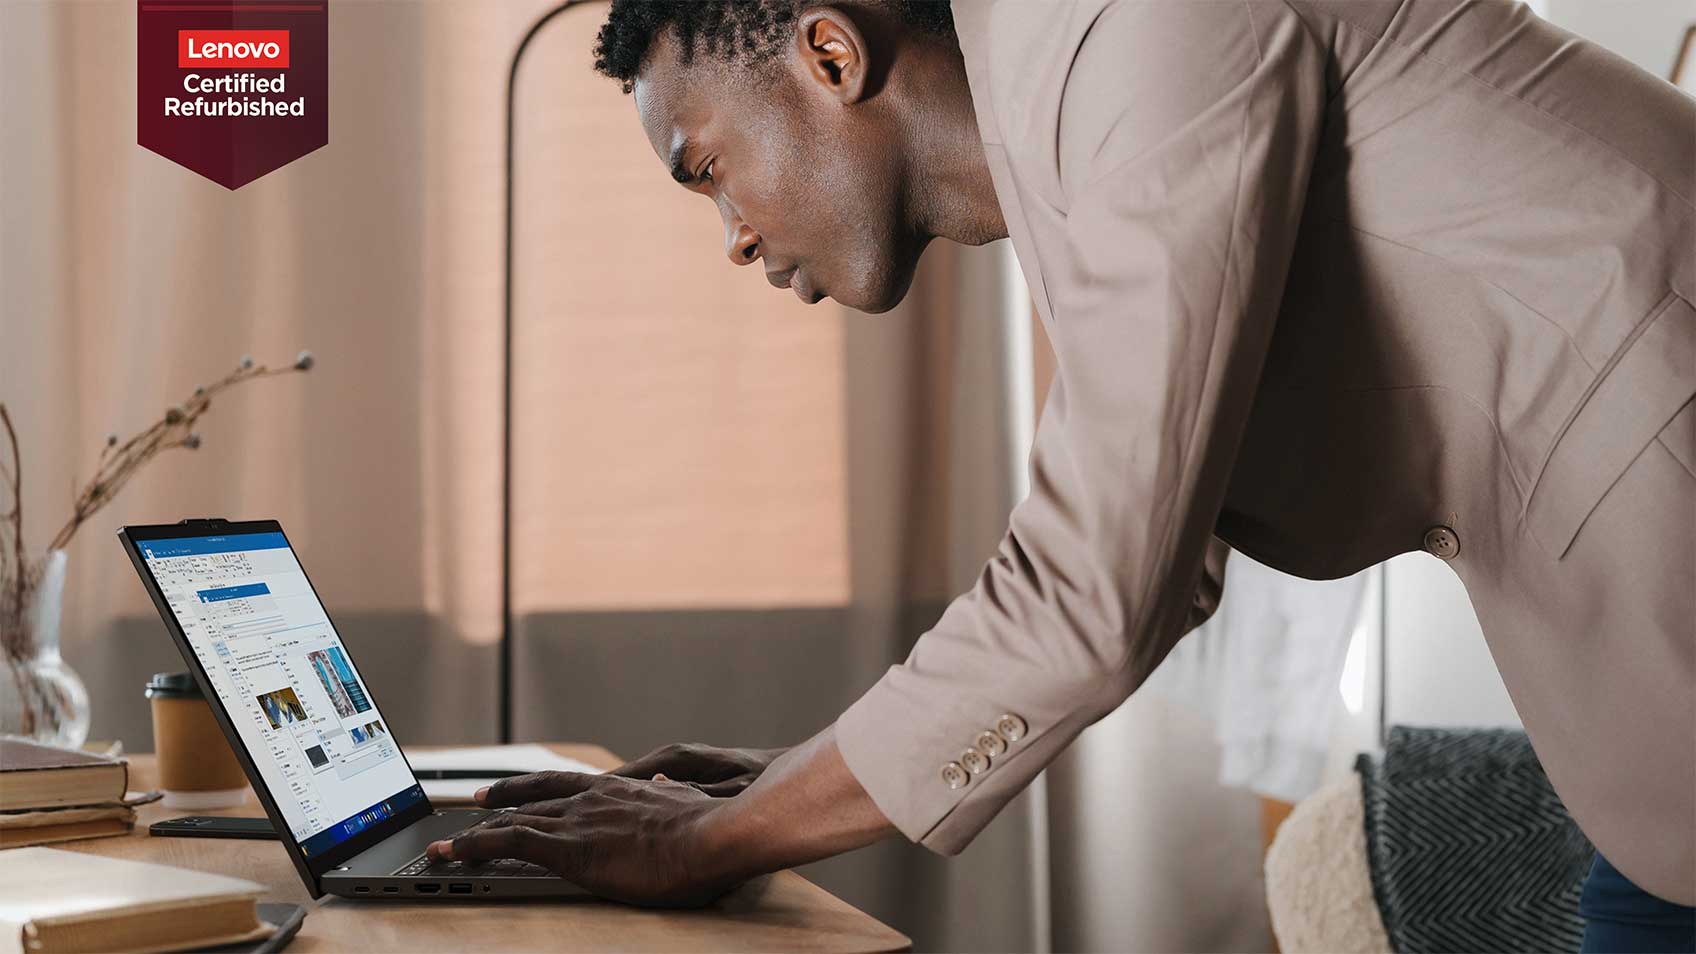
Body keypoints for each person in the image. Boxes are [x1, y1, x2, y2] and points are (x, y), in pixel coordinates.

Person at [428, 0, 1695, 944]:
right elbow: (1144, 550)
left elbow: (1092, 593)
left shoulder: (1117, 30)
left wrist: (712, 840)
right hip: (1653, 823)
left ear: (828, 52)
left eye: (707, 166)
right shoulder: (1086, 152)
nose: (734, 235)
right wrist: (787, 779)